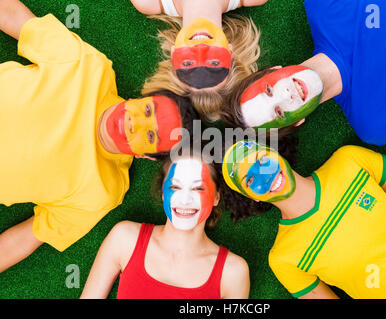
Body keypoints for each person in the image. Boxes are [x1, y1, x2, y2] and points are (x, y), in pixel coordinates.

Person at [0, 0, 198, 273]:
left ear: (146, 155)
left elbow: (25, 238)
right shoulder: (89, 66)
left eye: (150, 135)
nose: (133, 122)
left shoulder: (104, 192)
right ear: (142, 97)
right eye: (147, 109)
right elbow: (13, 17)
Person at [222, 140, 386, 298]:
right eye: (250, 180)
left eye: (262, 159)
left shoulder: (349, 160)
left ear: (275, 152)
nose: (265, 175)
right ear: (251, 197)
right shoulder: (284, 258)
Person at [223, 0, 386, 145]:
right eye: (280, 112)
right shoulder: (374, 124)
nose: (286, 95)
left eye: (269, 90)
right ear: (298, 121)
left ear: (272, 71)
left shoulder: (324, 6)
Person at [81, 152, 250, 299]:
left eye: (198, 188)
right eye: (175, 186)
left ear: (216, 197)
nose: (185, 200)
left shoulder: (233, 272)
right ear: (163, 193)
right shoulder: (125, 239)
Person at [130, 0, 267, 121]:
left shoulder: (148, 2)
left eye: (188, 63)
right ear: (229, 52)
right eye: (214, 63)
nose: (200, 49)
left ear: (173, 55)